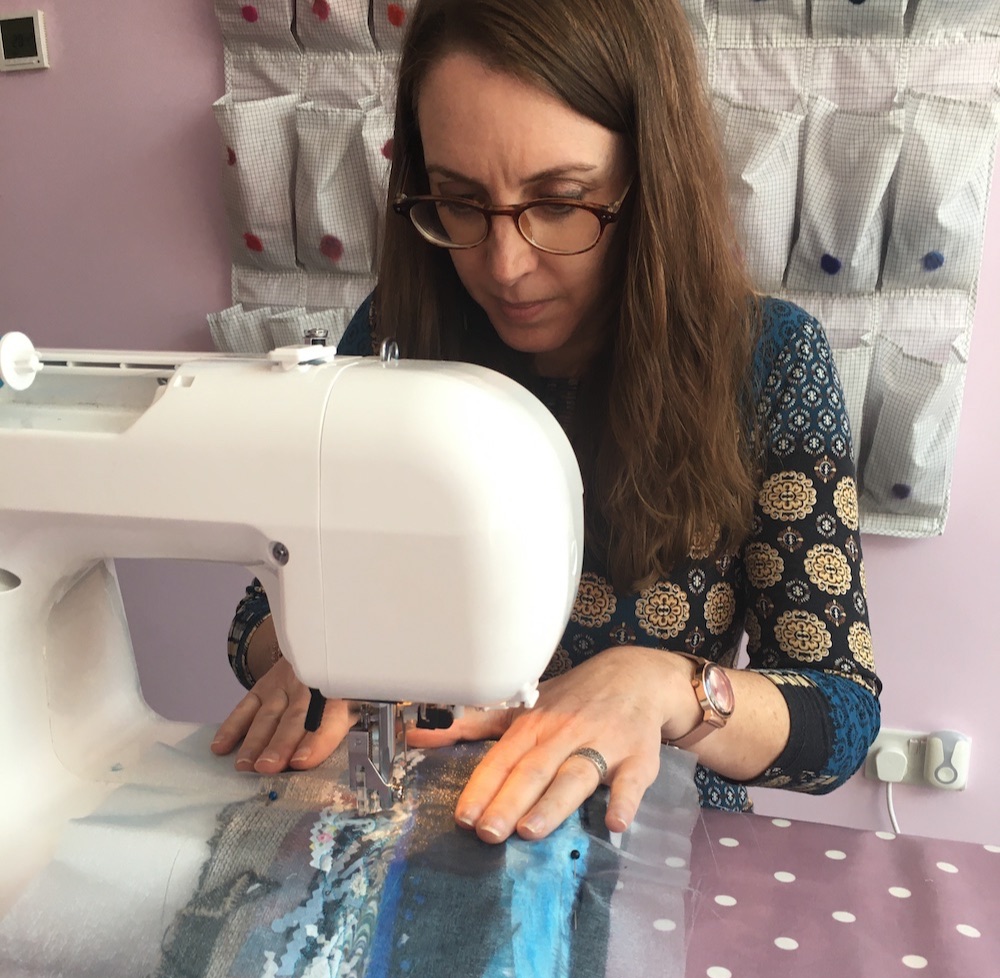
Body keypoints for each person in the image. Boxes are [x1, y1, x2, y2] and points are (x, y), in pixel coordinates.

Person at [211, 0, 882, 844]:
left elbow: (839, 718)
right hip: (414, 826)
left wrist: (665, 687)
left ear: (650, 180)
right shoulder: (395, 333)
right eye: (459, 201)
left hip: (647, 845)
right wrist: (319, 654)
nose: (505, 265)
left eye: (560, 201)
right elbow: (256, 619)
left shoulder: (768, 362)